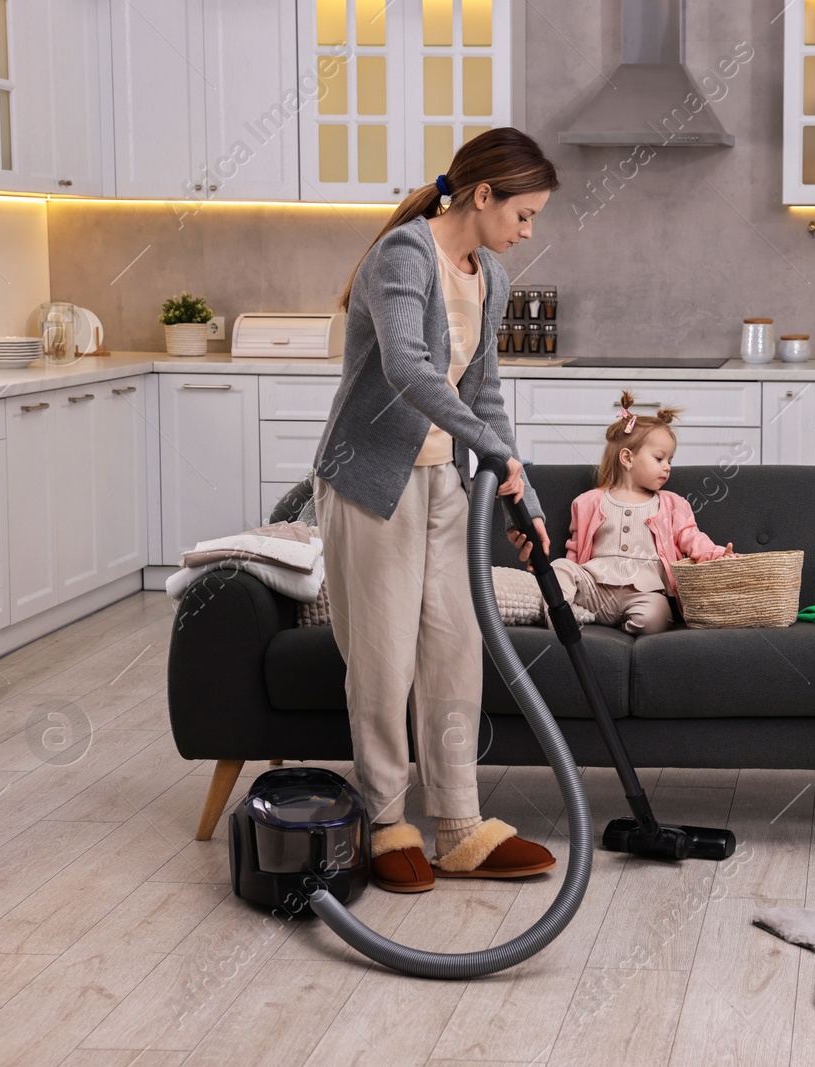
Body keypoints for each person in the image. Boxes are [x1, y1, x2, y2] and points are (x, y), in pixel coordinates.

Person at [312, 128, 558, 893]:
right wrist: (491, 446)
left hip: (444, 483)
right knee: (383, 661)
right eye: (523, 213)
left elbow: (483, 392)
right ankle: (386, 822)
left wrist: (524, 491)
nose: (527, 230)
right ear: (483, 195)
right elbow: (408, 369)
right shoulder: (403, 257)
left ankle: (457, 825)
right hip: (370, 481)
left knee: (454, 650)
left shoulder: (492, 276)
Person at [532, 390, 736, 636]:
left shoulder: (673, 504)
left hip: (645, 593)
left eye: (670, 459)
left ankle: (609, 622)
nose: (667, 467)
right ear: (627, 458)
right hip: (596, 588)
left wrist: (716, 555)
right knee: (560, 567)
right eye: (659, 458)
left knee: (654, 617)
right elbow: (575, 550)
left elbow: (693, 538)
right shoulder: (588, 502)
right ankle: (562, 619)